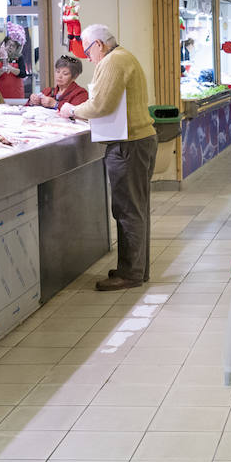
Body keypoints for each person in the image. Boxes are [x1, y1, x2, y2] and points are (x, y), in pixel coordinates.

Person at [61, 24, 158, 292]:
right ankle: (136, 269)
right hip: (137, 141)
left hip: (129, 145)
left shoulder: (114, 61)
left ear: (99, 45)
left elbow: (102, 105)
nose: (86, 56)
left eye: (87, 49)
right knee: (135, 209)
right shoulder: (122, 57)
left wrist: (71, 110)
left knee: (128, 210)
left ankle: (131, 273)